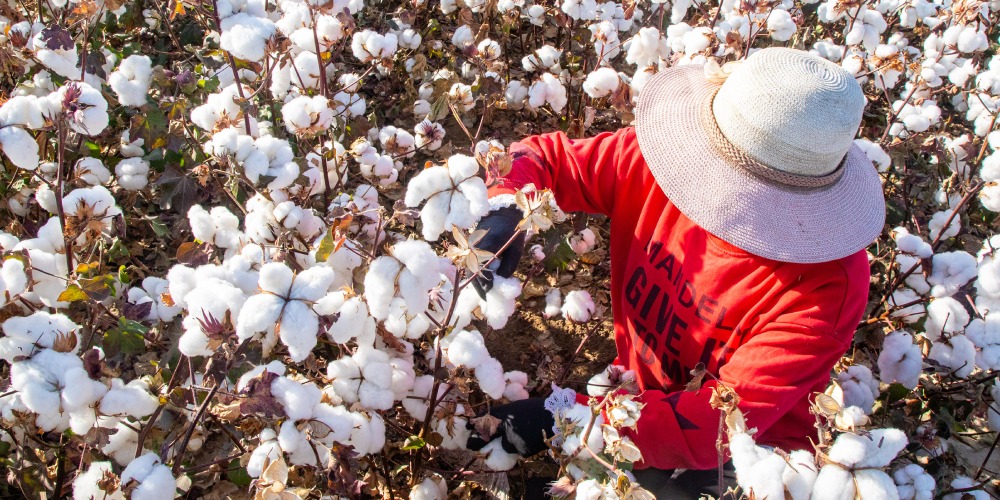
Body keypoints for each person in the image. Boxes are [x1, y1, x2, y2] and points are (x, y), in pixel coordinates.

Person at [464, 47, 886, 497]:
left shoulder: (826, 287)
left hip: (751, 457)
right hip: (636, 398)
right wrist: (504, 206)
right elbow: (545, 157)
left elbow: (716, 427)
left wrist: (565, 416)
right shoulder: (661, 164)